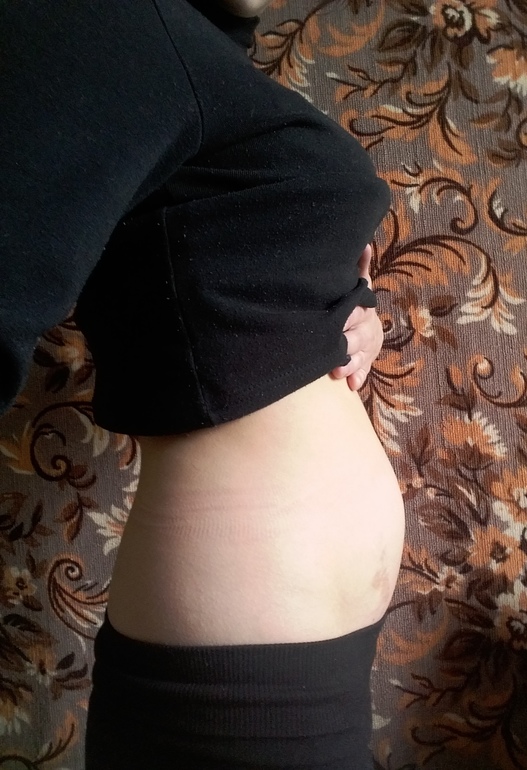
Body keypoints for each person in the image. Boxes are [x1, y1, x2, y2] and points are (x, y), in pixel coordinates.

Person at [0, 0, 405, 767]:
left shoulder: (202, 62)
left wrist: (349, 310)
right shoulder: (110, 24)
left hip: (305, 646)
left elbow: (208, 273)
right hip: (240, 656)